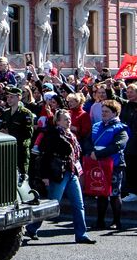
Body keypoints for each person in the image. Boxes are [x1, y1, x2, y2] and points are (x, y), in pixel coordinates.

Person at [26, 110, 95, 244]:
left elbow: (76, 156)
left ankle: (81, 234)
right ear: (57, 121)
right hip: (58, 173)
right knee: (52, 204)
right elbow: (45, 157)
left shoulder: (72, 136)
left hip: (72, 172)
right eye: (65, 119)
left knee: (78, 204)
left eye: (69, 119)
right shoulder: (52, 135)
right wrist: (45, 176)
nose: (68, 121)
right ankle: (32, 227)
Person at [88, 99, 129, 230]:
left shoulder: (121, 128)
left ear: (115, 113)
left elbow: (119, 145)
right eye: (102, 111)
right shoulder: (96, 126)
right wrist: (91, 152)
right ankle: (100, 221)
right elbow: (87, 141)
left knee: (114, 194)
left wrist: (99, 154)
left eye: (107, 111)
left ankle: (117, 221)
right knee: (100, 193)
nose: (103, 113)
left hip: (114, 165)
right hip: (98, 164)